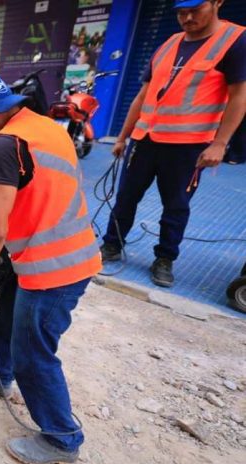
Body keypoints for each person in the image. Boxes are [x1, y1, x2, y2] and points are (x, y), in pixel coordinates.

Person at [0, 74, 102, 464]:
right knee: (7, 316)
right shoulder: (42, 125)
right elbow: (36, 195)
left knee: (33, 351)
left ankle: (61, 438)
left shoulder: (4, 145)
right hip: (62, 251)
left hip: (54, 267)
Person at [100, 0, 245, 287]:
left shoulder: (235, 41)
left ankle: (164, 258)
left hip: (187, 145)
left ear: (217, 3)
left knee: (176, 206)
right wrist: (123, 136)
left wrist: (220, 143)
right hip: (144, 140)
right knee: (126, 196)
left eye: (195, 10)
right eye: (180, 12)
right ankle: (112, 244)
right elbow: (143, 95)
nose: (187, 18)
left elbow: (240, 96)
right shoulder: (168, 44)